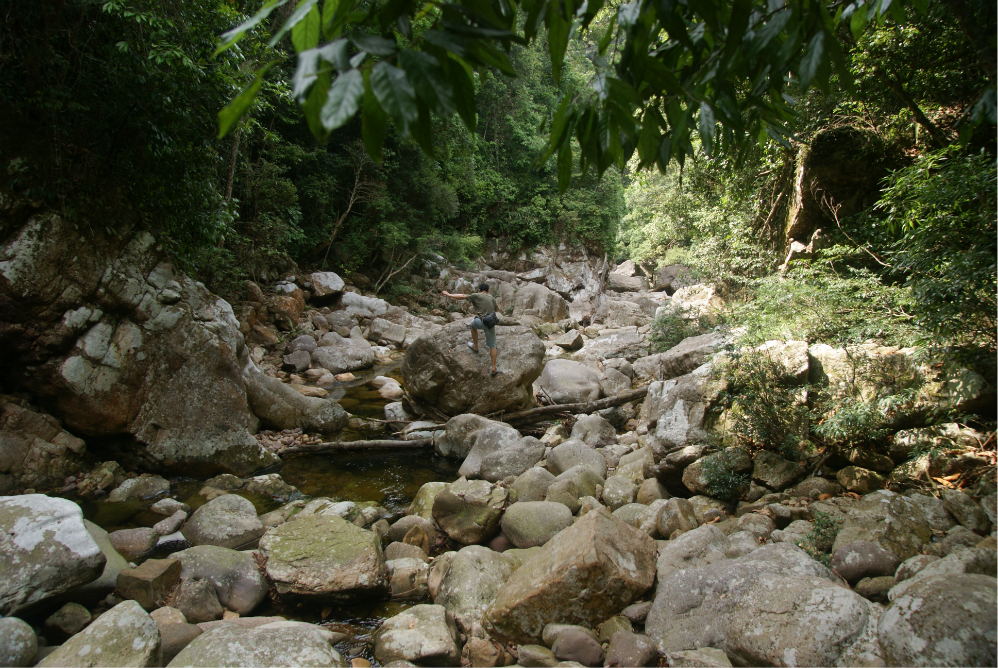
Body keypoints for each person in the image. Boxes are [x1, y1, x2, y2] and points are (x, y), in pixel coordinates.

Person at [441, 283, 500, 375]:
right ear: (488, 291)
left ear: (479, 290)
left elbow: (463, 296)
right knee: (493, 345)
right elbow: (497, 309)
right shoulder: (492, 297)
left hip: (480, 321)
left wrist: (449, 294)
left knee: (472, 325)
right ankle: (493, 367)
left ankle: (476, 346)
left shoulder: (476, 295)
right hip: (490, 323)